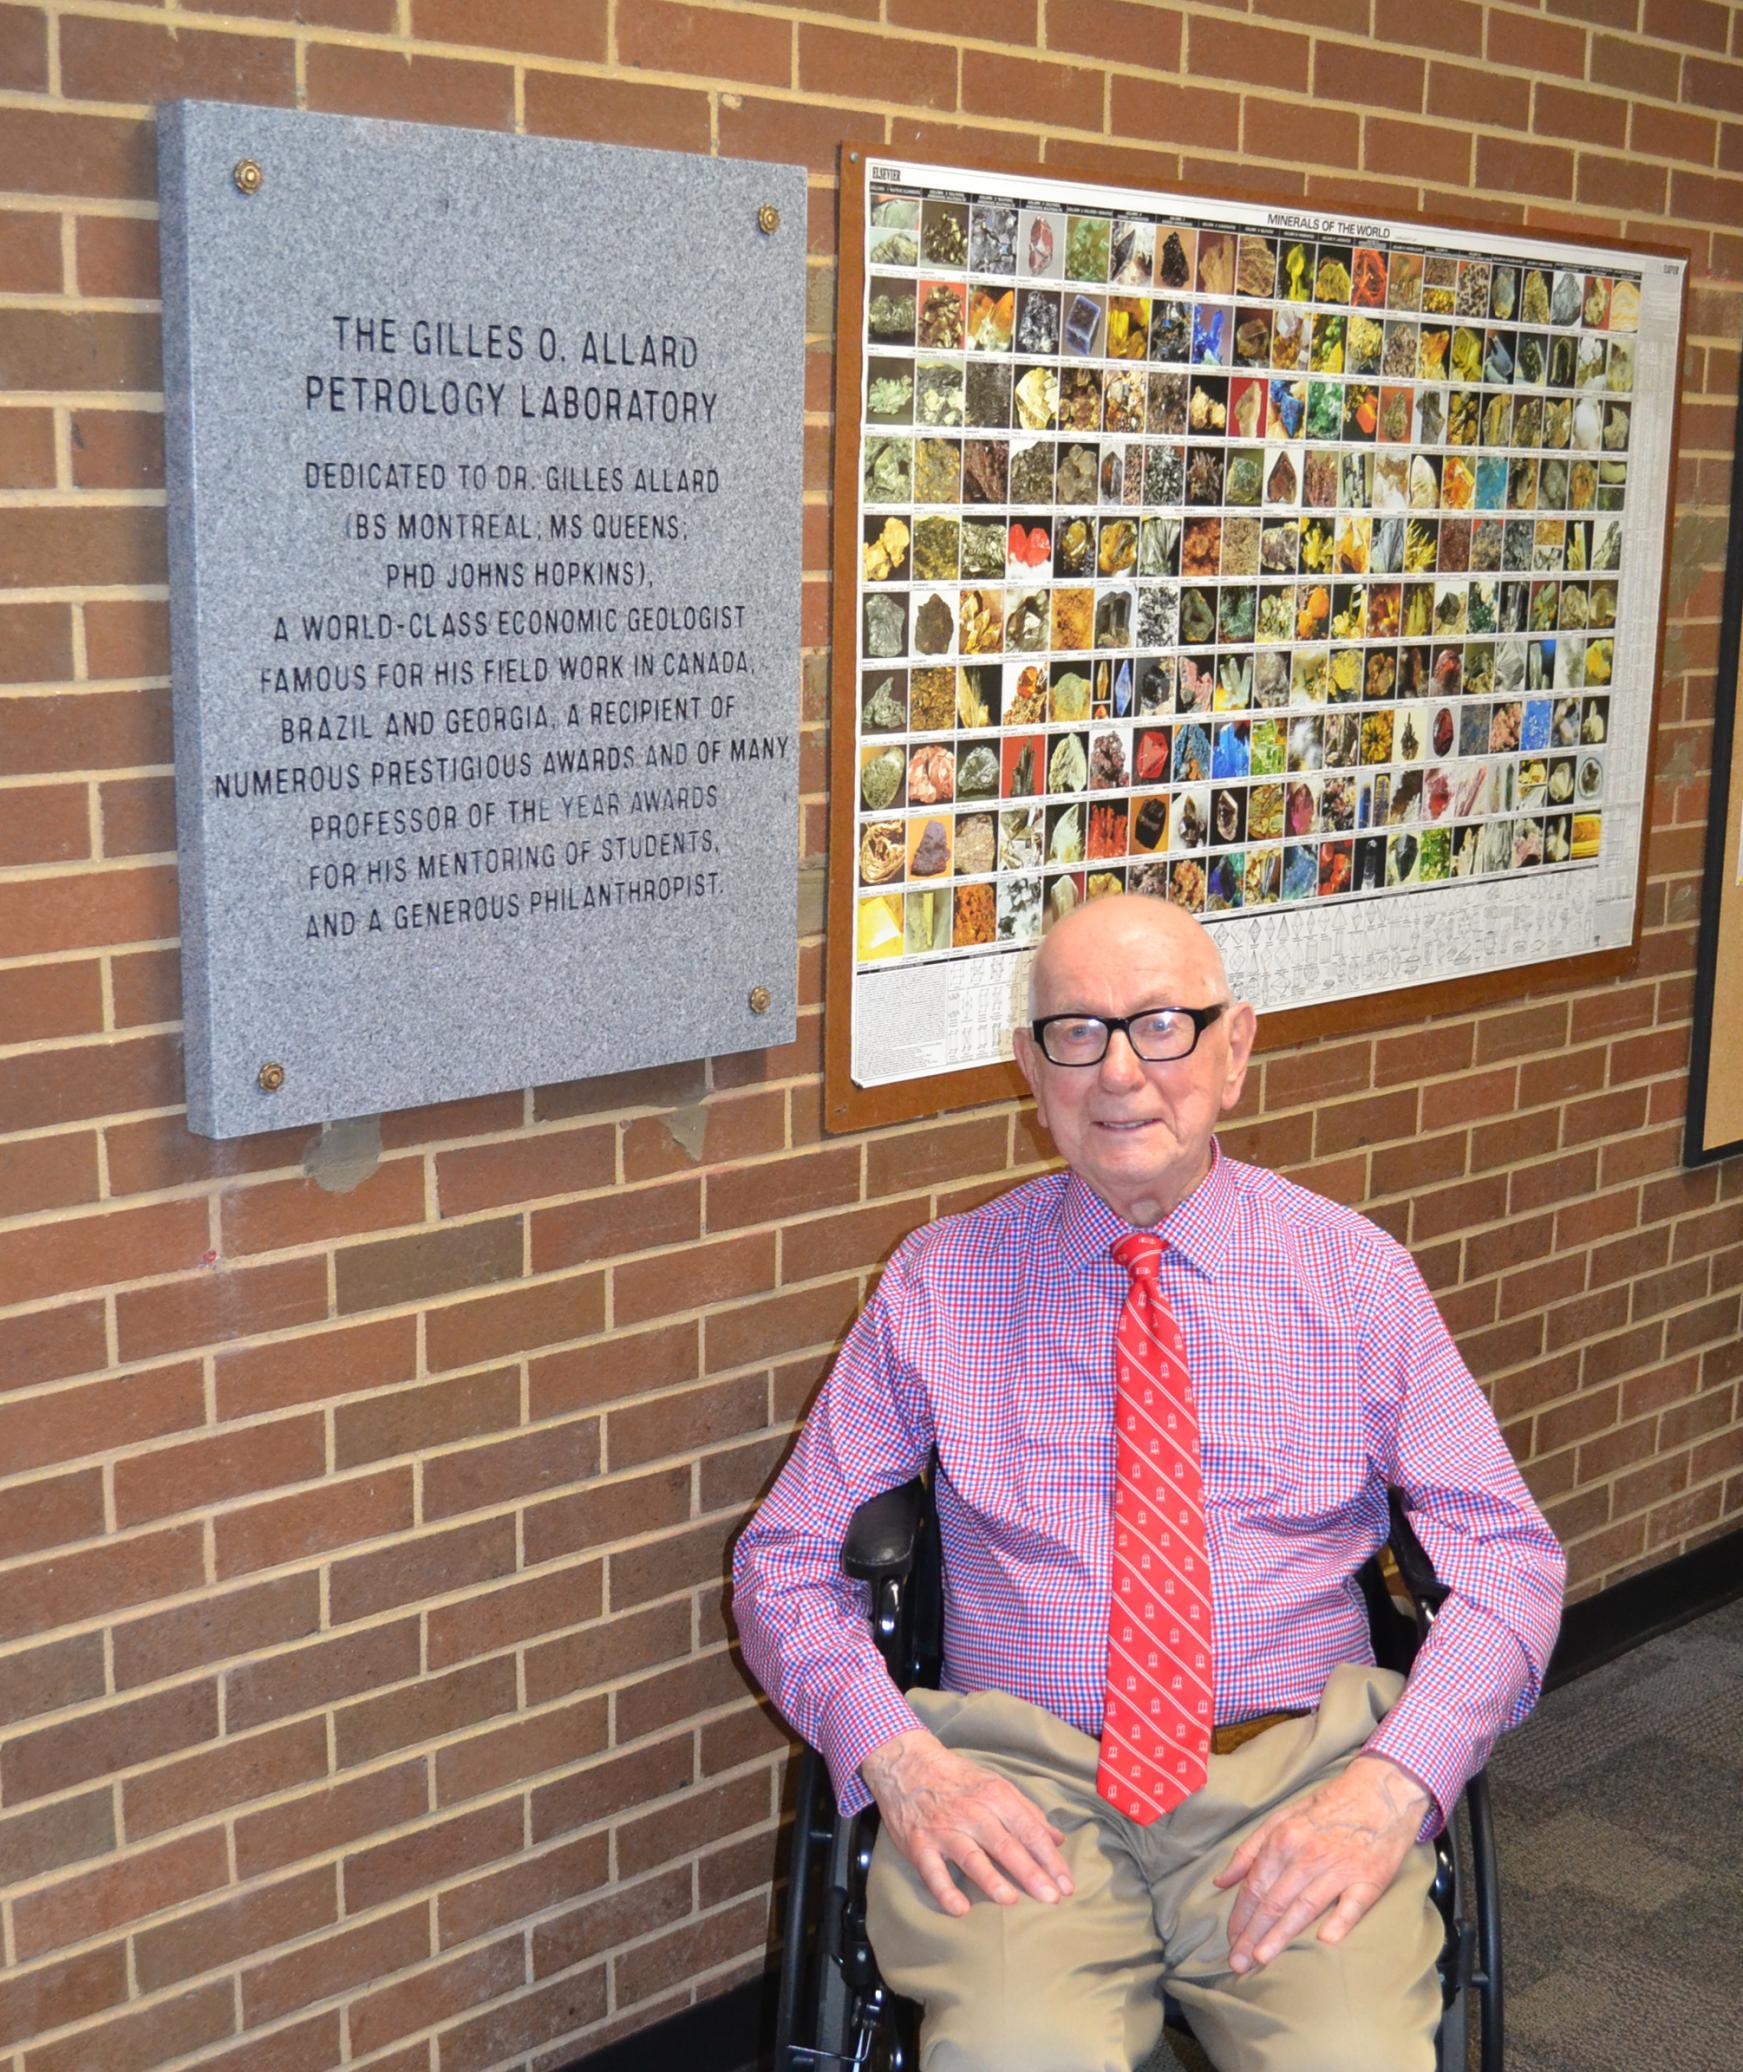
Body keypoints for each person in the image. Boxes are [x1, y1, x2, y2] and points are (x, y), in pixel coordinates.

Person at [733, 895, 1564, 2071]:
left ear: (1236, 1049)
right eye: (1077, 1031)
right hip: (1023, 1784)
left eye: (1163, 1024)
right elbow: (786, 1558)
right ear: (1031, 1066)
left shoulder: (1354, 1279)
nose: (1120, 1070)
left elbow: (1509, 1555)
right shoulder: (942, 1283)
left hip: (1294, 1775)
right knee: (1019, 2056)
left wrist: (1394, 1783)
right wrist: (901, 1760)